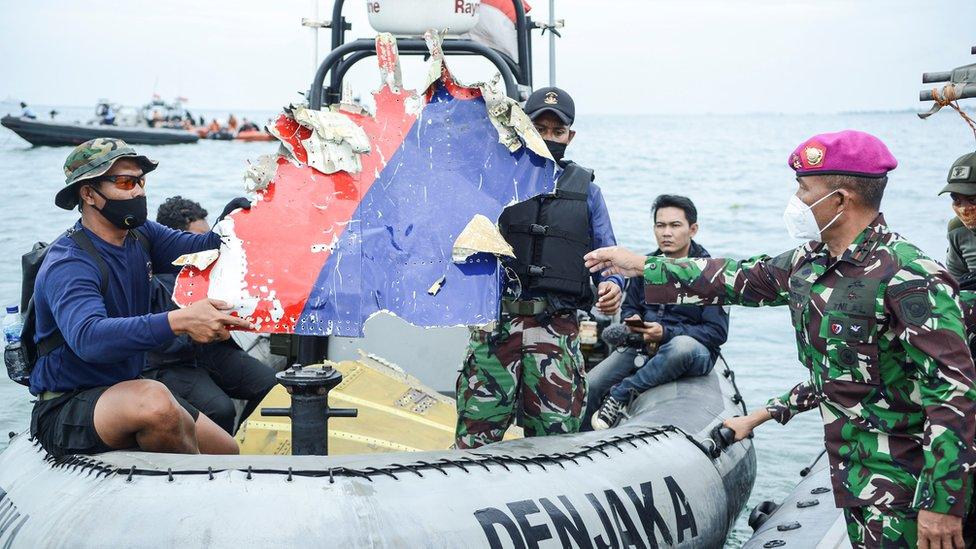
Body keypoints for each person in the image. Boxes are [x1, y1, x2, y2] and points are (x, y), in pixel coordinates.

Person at [584, 130, 976, 548]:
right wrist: (645, 266)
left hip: (911, 488)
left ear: (840, 200)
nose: (798, 201)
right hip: (855, 478)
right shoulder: (812, 262)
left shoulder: (910, 276)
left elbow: (953, 395)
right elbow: (734, 278)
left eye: (805, 189)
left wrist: (943, 502)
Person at [30, 138, 254, 458]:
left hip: (125, 385)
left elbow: (204, 248)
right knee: (156, 402)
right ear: (88, 193)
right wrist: (180, 320)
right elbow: (88, 337)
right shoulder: (69, 263)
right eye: (125, 182)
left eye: (140, 181)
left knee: (227, 450)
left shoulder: (141, 234)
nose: (137, 191)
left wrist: (237, 218)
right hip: (68, 403)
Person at [454, 86, 624, 449]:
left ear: (570, 136)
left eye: (557, 131)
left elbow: (606, 256)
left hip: (556, 330)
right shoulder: (492, 180)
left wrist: (612, 285)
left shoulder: (588, 192)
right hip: (495, 327)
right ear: (521, 127)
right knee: (476, 436)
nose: (548, 137)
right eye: (539, 128)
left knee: (556, 441)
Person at [587, 194, 729, 430]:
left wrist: (664, 333)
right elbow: (631, 309)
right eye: (660, 225)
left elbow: (716, 333)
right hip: (644, 343)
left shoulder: (709, 272)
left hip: (691, 351)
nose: (666, 232)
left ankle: (622, 394)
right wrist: (633, 324)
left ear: (693, 229)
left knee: (681, 346)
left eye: (675, 225)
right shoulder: (645, 264)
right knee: (591, 384)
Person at [144, 196, 277, 435]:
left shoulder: (211, 274)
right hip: (170, 360)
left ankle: (243, 441)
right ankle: (207, 461)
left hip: (210, 349)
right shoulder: (154, 281)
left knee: (272, 386)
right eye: (195, 239)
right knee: (220, 409)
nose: (203, 246)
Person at [940, 151, 976, 281]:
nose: (964, 209)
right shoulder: (958, 230)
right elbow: (955, 283)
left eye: (972, 200)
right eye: (956, 199)